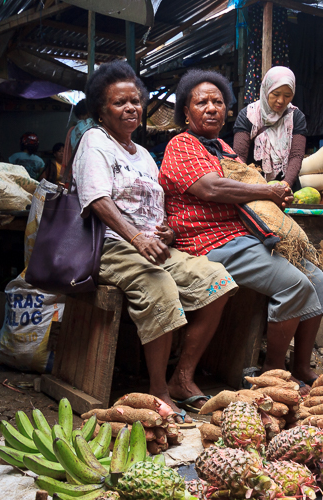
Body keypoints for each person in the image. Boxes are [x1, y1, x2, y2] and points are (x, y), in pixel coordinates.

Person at [74, 60, 237, 414]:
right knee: (159, 286)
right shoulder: (94, 142)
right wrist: (137, 238)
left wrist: (166, 229)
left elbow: (157, 208)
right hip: (111, 247)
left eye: (135, 101)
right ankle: (158, 390)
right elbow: (97, 200)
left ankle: (183, 377)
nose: (131, 108)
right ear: (101, 110)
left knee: (218, 281)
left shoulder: (145, 155)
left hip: (151, 246)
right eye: (119, 102)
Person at [159, 69, 323, 386]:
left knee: (318, 281)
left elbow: (246, 185)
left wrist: (272, 197)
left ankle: (300, 367)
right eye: (202, 103)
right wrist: (268, 191)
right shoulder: (182, 145)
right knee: (294, 285)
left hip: (241, 237)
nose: (212, 108)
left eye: (218, 102)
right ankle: (272, 374)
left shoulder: (225, 149)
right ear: (186, 112)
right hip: (207, 242)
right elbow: (212, 189)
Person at [232, 66, 306, 189]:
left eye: (287, 95)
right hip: (252, 185)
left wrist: (286, 184)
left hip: (287, 186)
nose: (281, 101)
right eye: (275, 94)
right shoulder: (249, 115)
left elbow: (296, 156)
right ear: (266, 89)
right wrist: (245, 188)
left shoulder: (296, 117)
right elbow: (239, 156)